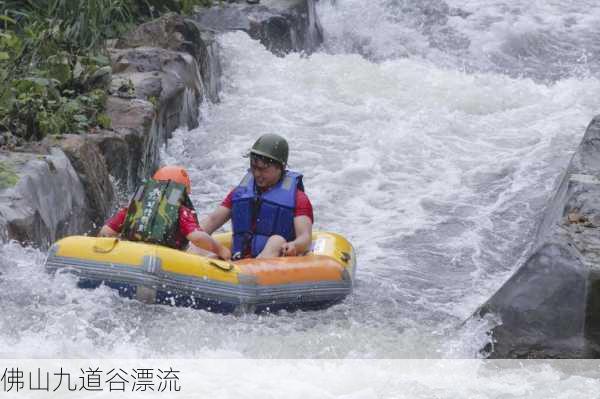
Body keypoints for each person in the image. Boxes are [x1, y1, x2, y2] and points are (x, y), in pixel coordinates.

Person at [199, 134, 313, 259]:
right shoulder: (240, 193)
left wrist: (294, 245)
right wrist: (190, 233)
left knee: (276, 241)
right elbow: (212, 220)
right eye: (254, 168)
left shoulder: (298, 199)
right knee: (197, 241)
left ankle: (252, 272)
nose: (257, 174)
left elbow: (305, 237)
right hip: (239, 259)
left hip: (275, 260)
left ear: (280, 167)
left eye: (263, 169)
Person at [99, 165, 231, 260]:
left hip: (131, 256)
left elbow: (106, 232)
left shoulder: (134, 208)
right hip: (167, 261)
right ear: (182, 192)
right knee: (208, 256)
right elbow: (197, 238)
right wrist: (221, 250)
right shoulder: (181, 211)